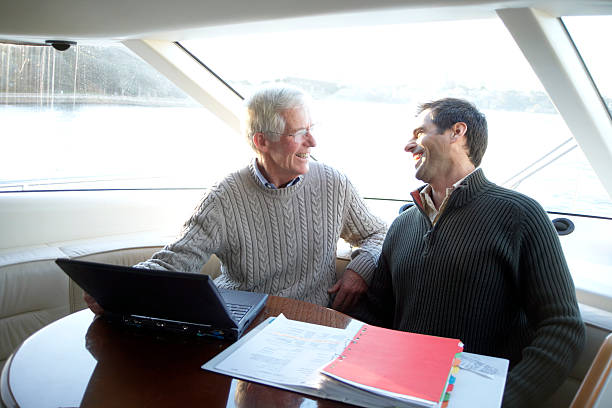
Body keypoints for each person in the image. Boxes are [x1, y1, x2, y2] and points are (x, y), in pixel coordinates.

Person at [356, 98, 585, 407]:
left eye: (419, 132)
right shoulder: (402, 225)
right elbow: (375, 315)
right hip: (396, 394)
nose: (408, 145)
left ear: (457, 132)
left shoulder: (520, 215)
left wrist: (503, 400)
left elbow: (562, 327)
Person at [86, 85, 385, 313]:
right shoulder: (224, 197)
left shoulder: (333, 183)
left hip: (311, 323)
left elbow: (379, 233)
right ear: (262, 142)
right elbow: (175, 261)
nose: (313, 142)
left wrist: (360, 270)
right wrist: (117, 288)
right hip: (243, 323)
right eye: (300, 133)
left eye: (312, 129)